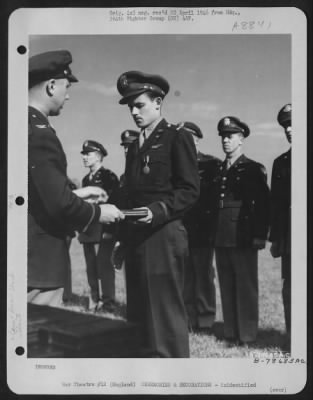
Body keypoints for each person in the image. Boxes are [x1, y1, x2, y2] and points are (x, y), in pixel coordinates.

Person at [28, 50, 124, 307]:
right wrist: (97, 213)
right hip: (40, 261)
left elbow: (34, 193)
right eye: (66, 86)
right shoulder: (40, 133)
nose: (68, 95)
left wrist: (78, 194)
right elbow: (57, 202)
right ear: (50, 86)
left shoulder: (20, 123)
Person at [115, 70, 200, 357]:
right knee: (139, 315)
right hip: (137, 237)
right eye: (130, 107)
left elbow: (189, 190)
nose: (134, 112)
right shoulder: (135, 146)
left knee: (164, 315)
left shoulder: (177, 137)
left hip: (164, 235)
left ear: (159, 102)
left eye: (139, 104)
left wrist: (159, 210)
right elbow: (129, 194)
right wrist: (121, 238)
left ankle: (174, 377)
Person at [210, 116, 270, 345]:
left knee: (245, 286)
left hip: (242, 235)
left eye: (231, 136)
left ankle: (247, 334)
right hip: (221, 235)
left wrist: (259, 235)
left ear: (241, 139)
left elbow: (262, 205)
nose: (226, 141)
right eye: (223, 137)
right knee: (226, 284)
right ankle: (231, 332)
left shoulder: (252, 168)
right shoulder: (219, 169)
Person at [181, 121, 221, 331]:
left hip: (204, 230)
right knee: (186, 277)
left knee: (204, 275)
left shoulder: (211, 164)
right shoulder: (174, 165)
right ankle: (188, 318)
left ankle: (205, 318)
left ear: (196, 139)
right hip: (182, 230)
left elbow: (216, 202)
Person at [78, 140, 119, 312]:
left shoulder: (109, 177)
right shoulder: (86, 179)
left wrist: (111, 232)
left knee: (104, 266)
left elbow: (114, 204)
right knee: (91, 267)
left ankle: (108, 302)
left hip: (103, 230)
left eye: (88, 154)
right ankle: (94, 299)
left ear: (99, 156)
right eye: (84, 154)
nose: (85, 157)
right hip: (88, 230)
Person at [269, 104, 292, 337]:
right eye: (286, 125)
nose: (289, 129)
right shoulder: (281, 162)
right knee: (291, 288)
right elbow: (276, 204)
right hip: (291, 238)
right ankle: (293, 337)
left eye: (294, 123)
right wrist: (275, 239)